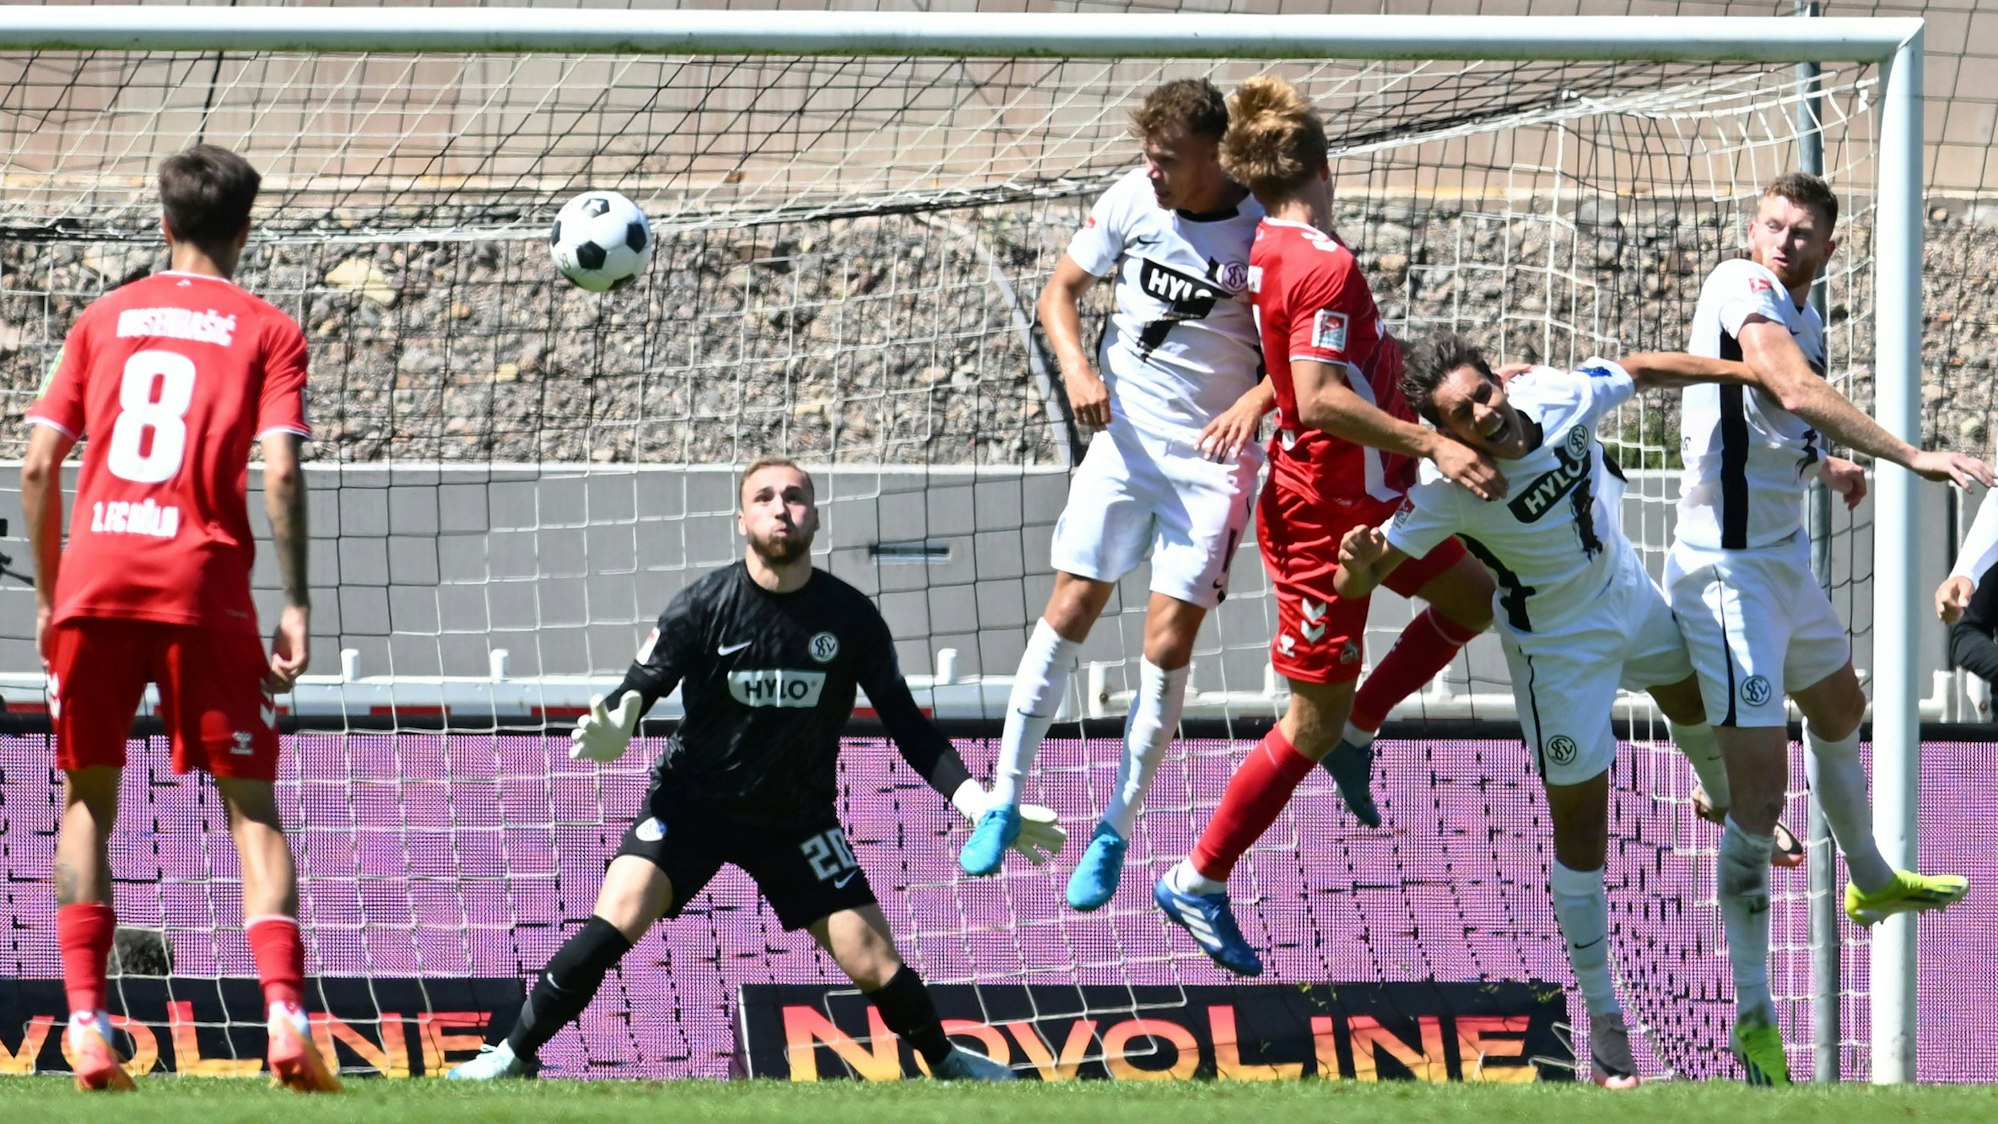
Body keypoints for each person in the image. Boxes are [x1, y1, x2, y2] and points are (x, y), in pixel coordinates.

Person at [451, 458, 1061, 1082]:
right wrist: (618, 722)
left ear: (815, 517)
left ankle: (947, 1061)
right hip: (690, 808)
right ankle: (512, 1055)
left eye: (795, 497)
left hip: (795, 822)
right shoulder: (702, 606)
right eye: (764, 497)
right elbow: (638, 687)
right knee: (617, 917)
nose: (780, 508)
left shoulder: (850, 619)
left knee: (875, 962)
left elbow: (909, 727)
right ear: (741, 519)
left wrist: (974, 802)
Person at [1334, 335, 1816, 1089]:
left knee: (1694, 701)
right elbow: (1361, 578)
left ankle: (1721, 800)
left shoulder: (1558, 395)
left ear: (1501, 380)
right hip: (1558, 656)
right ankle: (1604, 1021)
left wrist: (1750, 370)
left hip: (1626, 592)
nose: (1484, 416)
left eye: (1484, 395)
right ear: (1444, 433)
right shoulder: (1448, 493)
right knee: (1583, 835)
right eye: (1462, 416)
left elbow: (1645, 367)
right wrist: (1357, 562)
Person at [1149, 75, 1503, 978]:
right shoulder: (1323, 262)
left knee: (1474, 596)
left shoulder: (1276, 241)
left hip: (1371, 496)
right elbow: (1317, 396)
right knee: (1306, 722)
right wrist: (1434, 441)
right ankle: (1199, 876)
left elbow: (1299, 365)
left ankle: (1363, 726)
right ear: (1324, 163)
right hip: (1322, 519)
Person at [20, 144, 336, 1093]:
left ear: (163, 224)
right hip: (203, 587)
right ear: (246, 229)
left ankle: (84, 1023)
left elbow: (38, 465)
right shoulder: (269, 329)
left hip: (98, 581)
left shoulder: (103, 319)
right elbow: (279, 469)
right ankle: (284, 1016)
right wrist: (295, 600)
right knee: (252, 809)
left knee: (86, 801)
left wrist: (47, 594)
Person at [1666, 171, 1993, 1085]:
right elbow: (1789, 387)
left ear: (1828, 246)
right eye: (1772, 225)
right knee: (1760, 808)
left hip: (1785, 563)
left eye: (1802, 231)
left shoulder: (1806, 315)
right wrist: (1907, 454)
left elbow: (1779, 419)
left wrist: (1832, 466)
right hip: (1727, 573)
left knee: (1843, 711)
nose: (1784, 241)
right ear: (1751, 229)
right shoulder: (1743, 288)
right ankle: (1754, 1016)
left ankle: (1872, 875)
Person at [958, 78, 1275, 913]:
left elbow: (1308, 345)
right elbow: (1058, 293)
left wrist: (1258, 398)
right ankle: (1002, 798)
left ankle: (1114, 829)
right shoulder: (1132, 198)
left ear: (1214, 156)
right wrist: (1077, 367)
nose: (1154, 171)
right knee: (1069, 606)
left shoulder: (1266, 230)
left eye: (1168, 160)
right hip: (1125, 444)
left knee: (1166, 648)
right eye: (1149, 156)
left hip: (1211, 463)